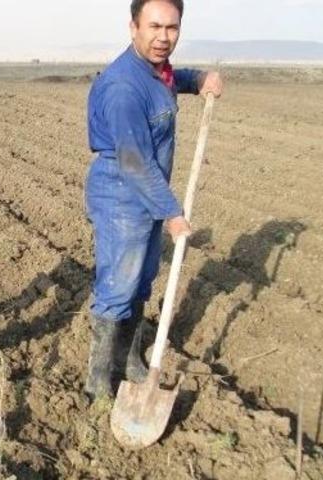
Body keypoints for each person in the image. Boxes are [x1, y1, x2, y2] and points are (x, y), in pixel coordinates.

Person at [83, 0, 223, 399]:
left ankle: (128, 360)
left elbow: (170, 78)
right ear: (133, 27)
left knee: (142, 281)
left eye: (172, 28)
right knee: (118, 287)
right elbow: (132, 160)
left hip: (146, 190)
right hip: (122, 194)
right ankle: (98, 384)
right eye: (154, 27)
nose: (163, 37)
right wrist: (173, 213)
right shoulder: (124, 86)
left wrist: (199, 79)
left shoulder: (154, 70)